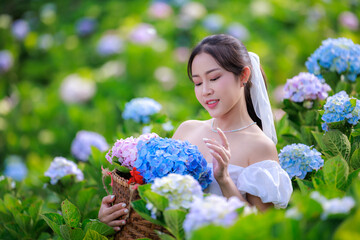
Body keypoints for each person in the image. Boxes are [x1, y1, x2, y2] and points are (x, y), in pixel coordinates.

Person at [98, 34, 293, 231]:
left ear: (243, 75)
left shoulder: (260, 146)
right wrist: (114, 214)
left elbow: (261, 228)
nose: (205, 90)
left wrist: (223, 179)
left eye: (214, 78)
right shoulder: (187, 129)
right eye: (198, 83)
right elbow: (156, 203)